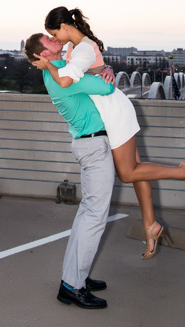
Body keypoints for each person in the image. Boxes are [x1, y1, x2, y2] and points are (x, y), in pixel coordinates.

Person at [35, 6, 185, 259]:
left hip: (113, 113)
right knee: (137, 169)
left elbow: (65, 80)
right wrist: (107, 70)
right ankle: (151, 226)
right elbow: (94, 70)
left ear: (63, 27)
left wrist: (47, 66)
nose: (56, 40)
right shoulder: (75, 47)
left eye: (54, 34)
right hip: (112, 109)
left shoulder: (81, 48)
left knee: (128, 173)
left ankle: (184, 172)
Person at [23, 32, 116, 309]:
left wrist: (103, 69)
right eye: (49, 40)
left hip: (88, 144)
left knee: (87, 214)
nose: (56, 39)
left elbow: (92, 76)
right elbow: (106, 89)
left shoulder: (58, 71)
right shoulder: (61, 73)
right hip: (94, 147)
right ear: (43, 54)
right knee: (95, 217)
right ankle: (72, 287)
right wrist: (106, 72)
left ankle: (76, 277)